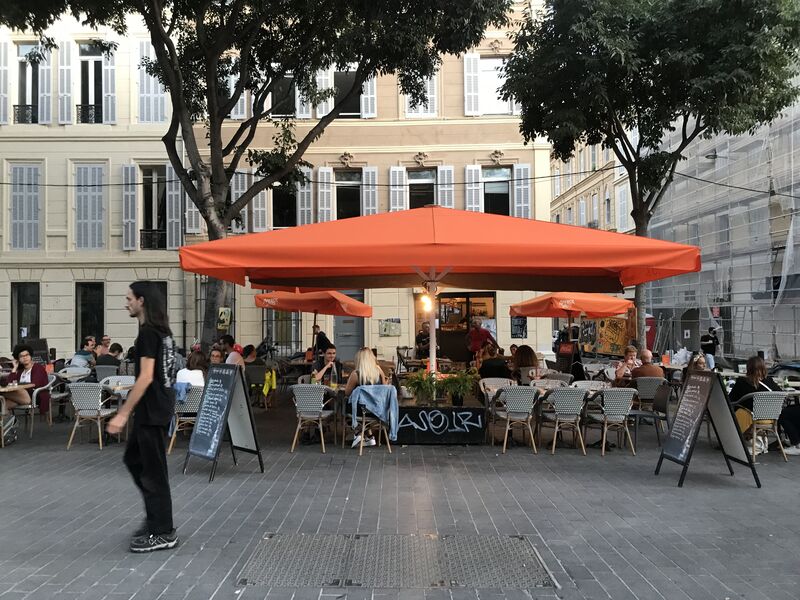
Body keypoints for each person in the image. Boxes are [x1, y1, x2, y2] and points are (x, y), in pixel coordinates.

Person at [107, 281, 178, 553]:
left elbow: (147, 377)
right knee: (134, 459)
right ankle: (155, 517)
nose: (126, 303)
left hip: (152, 411)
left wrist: (122, 414)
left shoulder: (149, 332)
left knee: (153, 473)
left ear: (142, 301)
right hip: (156, 408)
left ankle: (163, 531)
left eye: (129, 298)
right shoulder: (162, 332)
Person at [728, 356, 800, 455]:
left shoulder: (742, 382)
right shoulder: (769, 381)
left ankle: (731, 438)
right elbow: (780, 395)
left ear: (748, 368)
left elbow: (730, 400)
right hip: (770, 418)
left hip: (752, 418)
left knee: (736, 410)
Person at [344, 348, 389, 447]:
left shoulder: (356, 374)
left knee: (346, 404)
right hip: (376, 410)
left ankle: (358, 432)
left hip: (361, 411)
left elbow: (347, 392)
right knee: (363, 404)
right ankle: (369, 436)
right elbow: (384, 389)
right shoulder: (379, 371)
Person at [0, 344, 50, 415]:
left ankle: (2, 393)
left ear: (30, 356)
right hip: (21, 397)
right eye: (21, 356)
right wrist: (15, 367)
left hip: (35, 395)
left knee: (5, 393)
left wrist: (20, 387)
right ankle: (11, 421)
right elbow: (9, 382)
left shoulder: (38, 368)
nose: (25, 357)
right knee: (3, 405)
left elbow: (35, 384)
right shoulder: (21, 371)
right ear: (18, 359)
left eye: (27, 355)